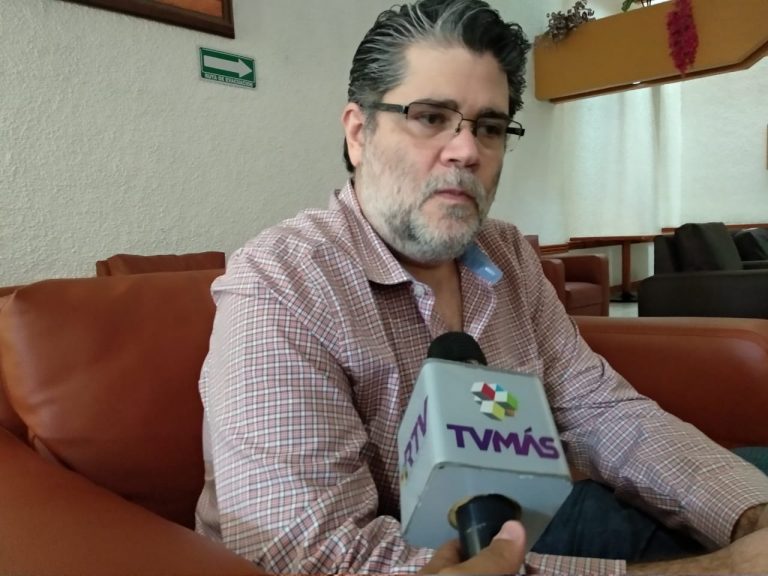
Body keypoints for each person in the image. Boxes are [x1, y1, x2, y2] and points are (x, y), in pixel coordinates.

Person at [195, 0, 768, 573]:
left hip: (535, 512)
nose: (468, 151)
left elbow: (601, 412)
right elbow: (314, 554)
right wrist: (717, 569)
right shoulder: (281, 284)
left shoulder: (508, 254)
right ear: (359, 133)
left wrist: (748, 514)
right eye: (430, 117)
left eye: (490, 127)